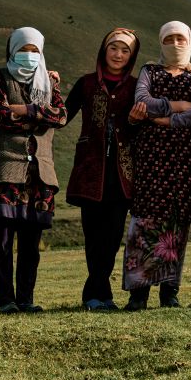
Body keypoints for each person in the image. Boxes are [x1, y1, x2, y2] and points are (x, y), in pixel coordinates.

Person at [122, 21, 191, 310]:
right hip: (150, 157)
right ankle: (139, 293)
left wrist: (169, 118)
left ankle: (169, 293)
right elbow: (142, 101)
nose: (175, 44)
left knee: (177, 223)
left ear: (190, 41)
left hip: (185, 160)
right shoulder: (149, 71)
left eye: (180, 38)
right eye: (169, 39)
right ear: (160, 42)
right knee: (146, 220)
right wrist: (179, 105)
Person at [0, 27, 67, 314]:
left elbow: (61, 116)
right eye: (23, 49)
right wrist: (38, 116)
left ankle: (26, 299)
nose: (29, 56)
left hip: (39, 172)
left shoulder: (50, 82)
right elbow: (0, 116)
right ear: (12, 49)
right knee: (3, 238)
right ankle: (5, 301)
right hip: (4, 168)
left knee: (31, 241)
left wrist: (23, 110)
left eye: (34, 51)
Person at [64, 28, 143, 311]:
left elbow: (142, 128)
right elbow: (62, 115)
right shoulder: (85, 84)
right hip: (90, 171)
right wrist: (47, 88)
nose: (118, 55)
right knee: (93, 235)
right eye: (114, 48)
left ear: (131, 56)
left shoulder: (137, 87)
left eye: (125, 51)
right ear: (103, 50)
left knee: (110, 238)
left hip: (122, 175)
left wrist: (136, 120)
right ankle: (99, 295)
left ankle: (94, 294)